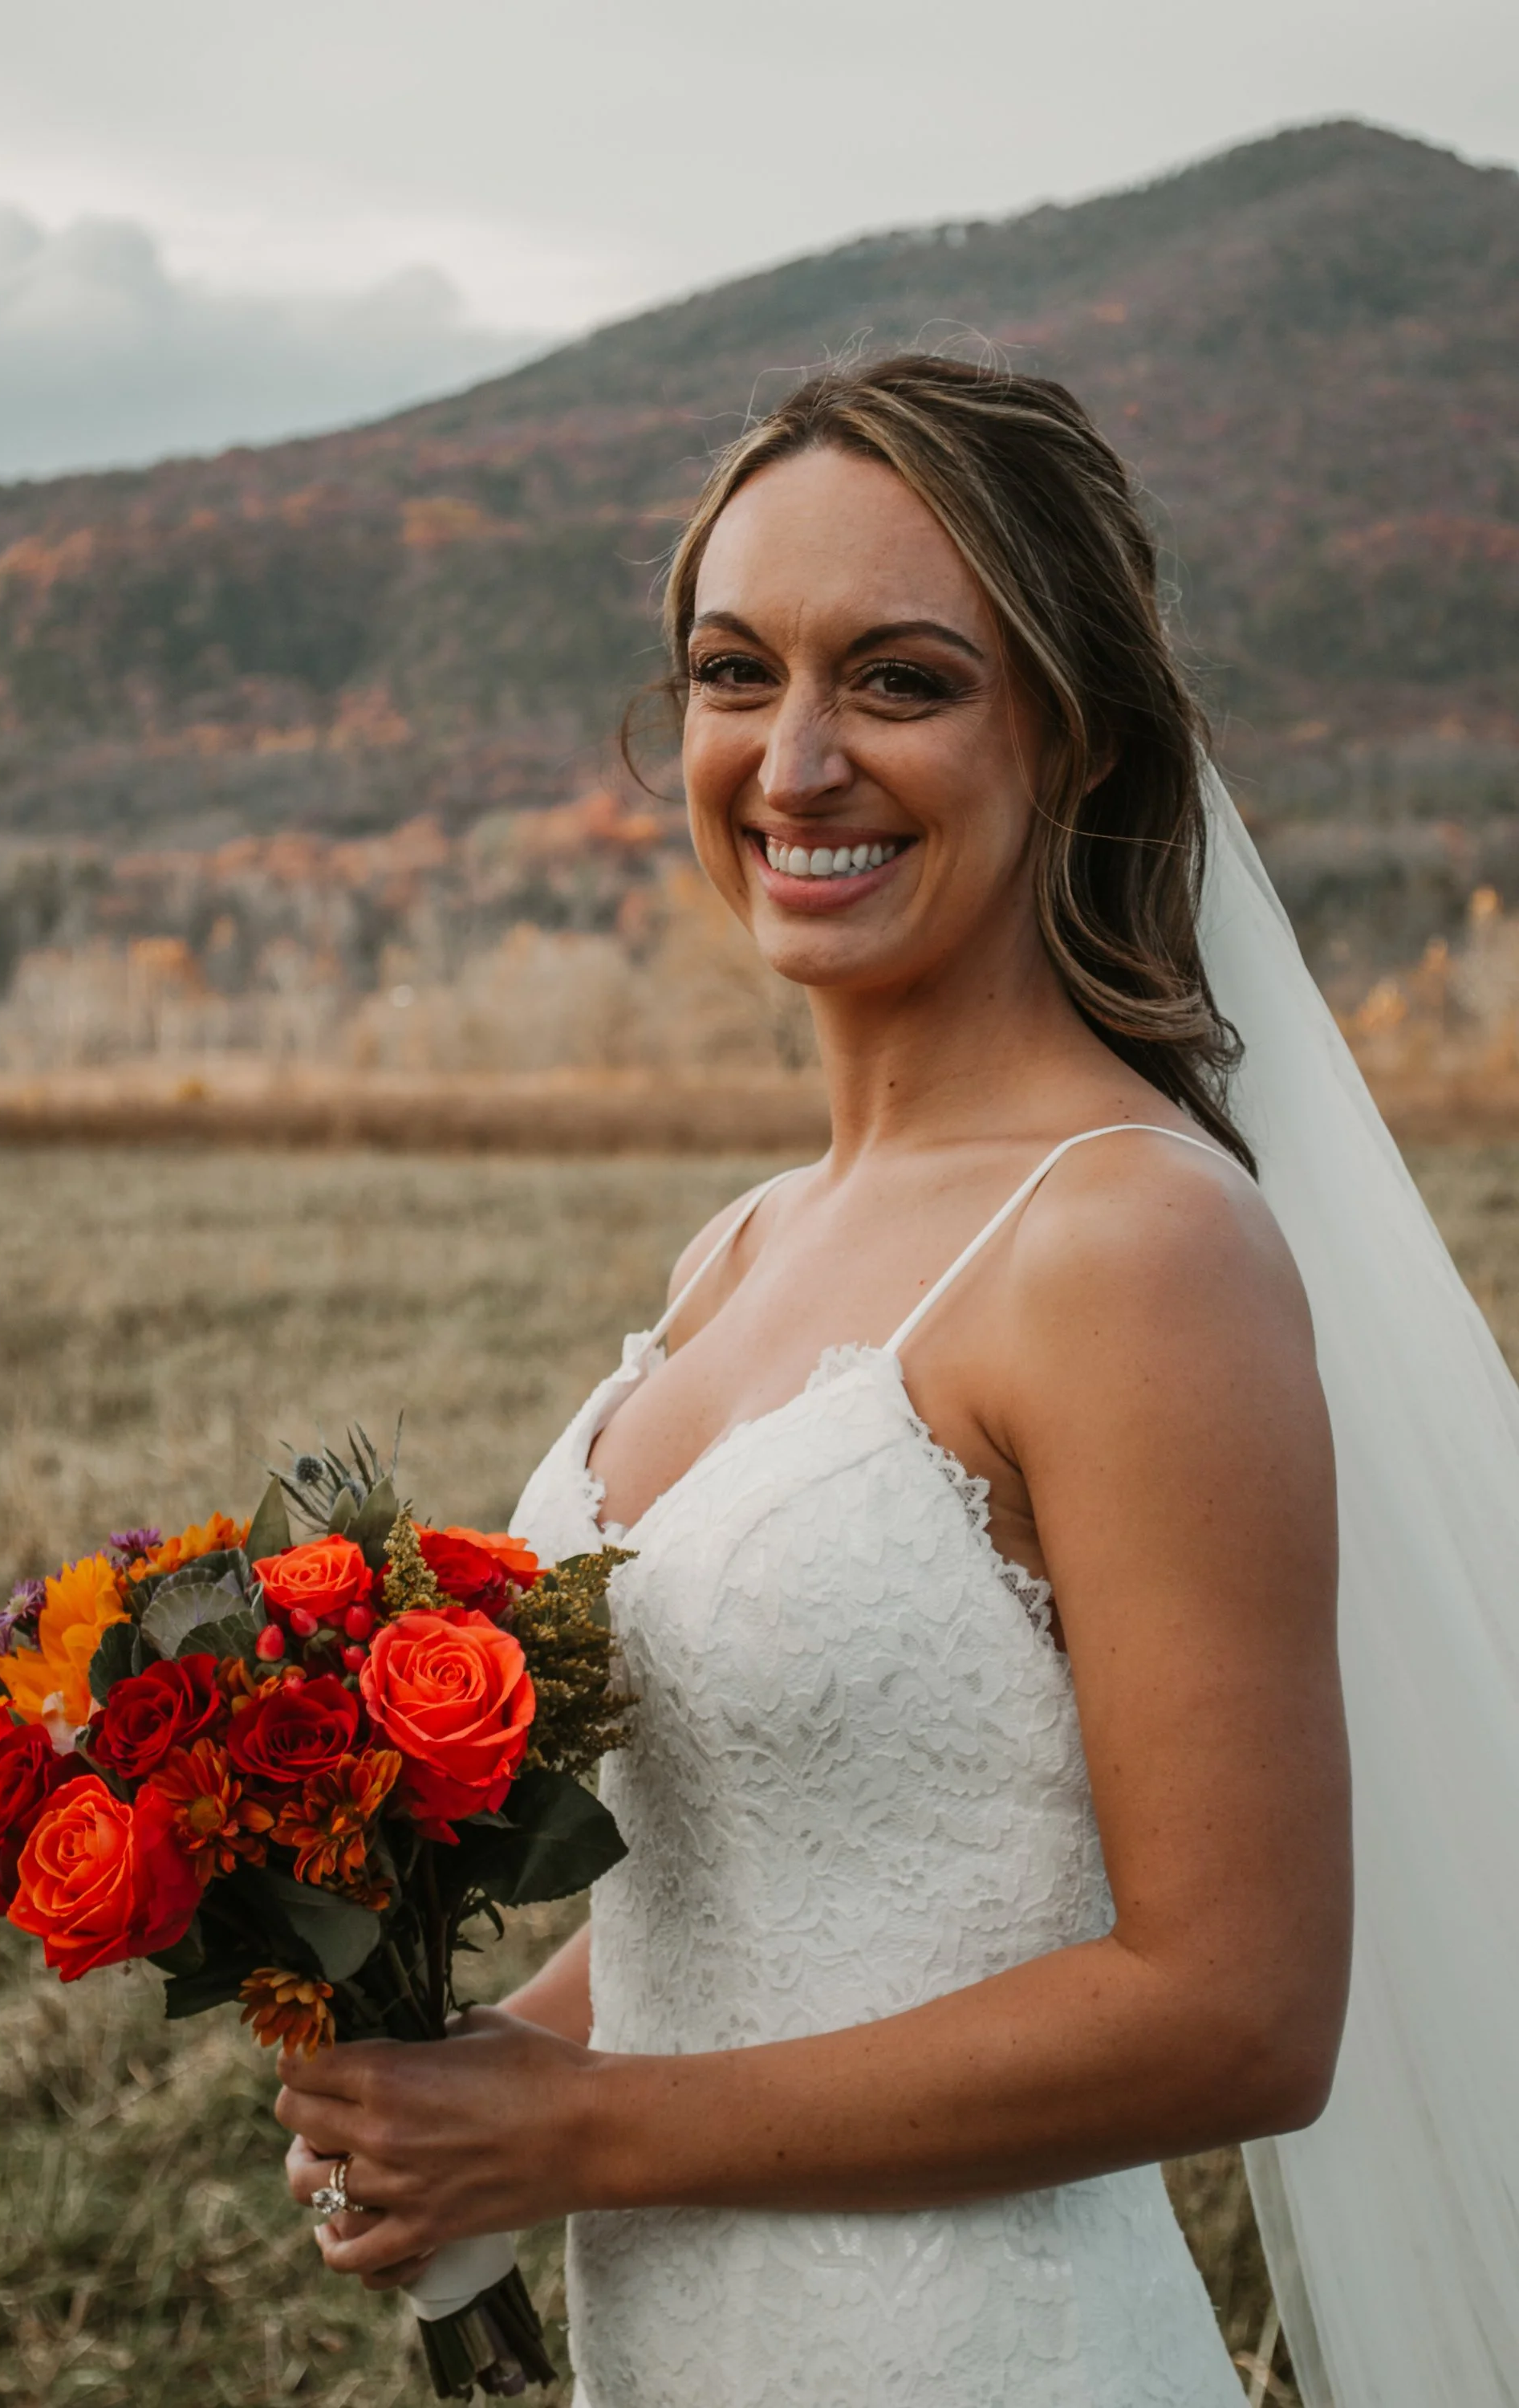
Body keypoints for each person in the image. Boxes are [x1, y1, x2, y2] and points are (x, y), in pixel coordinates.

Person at [278, 358, 1355, 2406]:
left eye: (898, 680)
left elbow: (1239, 2010)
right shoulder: (742, 1243)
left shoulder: (1127, 1244)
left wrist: (585, 2135)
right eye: (731, 670)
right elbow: (786, 1879)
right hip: (683, 2342)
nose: (791, 762)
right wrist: (492, 2067)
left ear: (1078, 734)